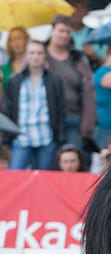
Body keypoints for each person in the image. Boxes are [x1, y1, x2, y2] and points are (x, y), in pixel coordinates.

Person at [2, 40, 65, 170]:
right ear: (26, 55)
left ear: (45, 55)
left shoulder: (54, 79)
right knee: (15, 175)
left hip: (46, 136)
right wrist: (8, 138)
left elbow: (60, 109)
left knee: (44, 178)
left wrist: (59, 137)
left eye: (39, 53)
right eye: (32, 53)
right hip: (22, 136)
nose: (35, 56)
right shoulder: (15, 79)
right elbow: (8, 109)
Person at [45, 15, 97, 152]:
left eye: (68, 32)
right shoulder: (38, 55)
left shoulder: (78, 59)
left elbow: (89, 93)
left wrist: (88, 125)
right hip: (44, 120)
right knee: (46, 166)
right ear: (52, 31)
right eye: (61, 31)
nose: (64, 35)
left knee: (72, 162)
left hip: (73, 118)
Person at [69, 0, 105, 69]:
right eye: (73, 7)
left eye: (81, 8)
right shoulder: (57, 34)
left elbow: (108, 66)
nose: (77, 11)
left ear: (88, 11)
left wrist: (94, 57)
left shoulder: (97, 35)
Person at [1, 26, 29, 91]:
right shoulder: (4, 68)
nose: (16, 43)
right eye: (12, 39)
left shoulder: (33, 64)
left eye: (19, 38)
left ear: (26, 40)